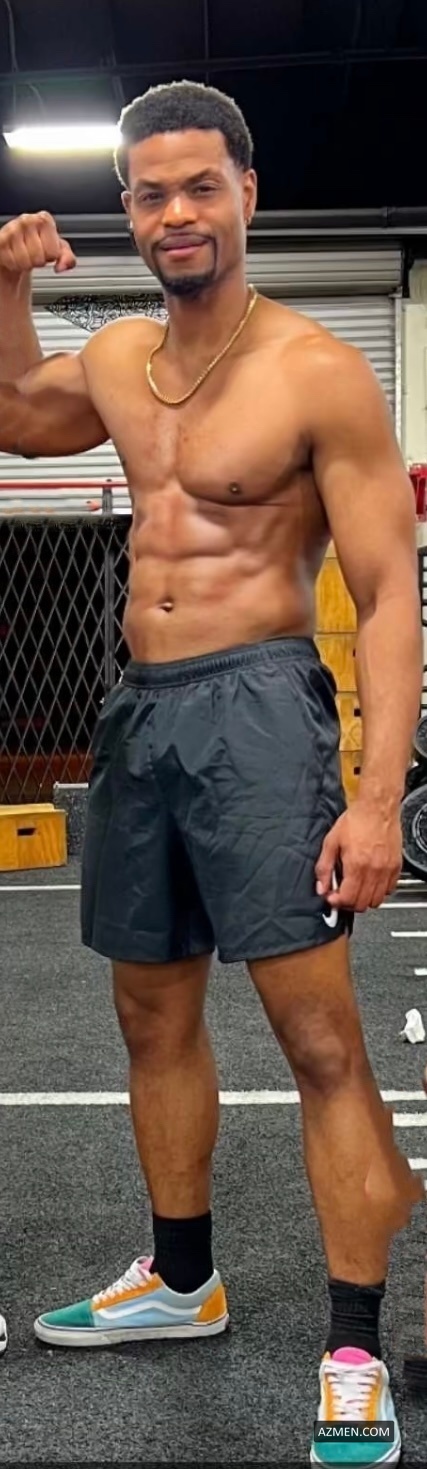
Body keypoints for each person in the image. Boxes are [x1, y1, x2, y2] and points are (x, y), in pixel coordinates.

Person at [0, 79, 423, 1465]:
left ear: (247, 190)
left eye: (198, 186)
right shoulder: (120, 355)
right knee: (148, 1015)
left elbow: (389, 593)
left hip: (262, 714)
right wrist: (7, 285)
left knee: (320, 1041)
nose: (174, 212)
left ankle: (353, 1344)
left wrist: (375, 798)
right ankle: (183, 1279)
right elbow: (17, 418)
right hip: (141, 714)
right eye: (149, 193)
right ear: (126, 211)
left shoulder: (318, 371)